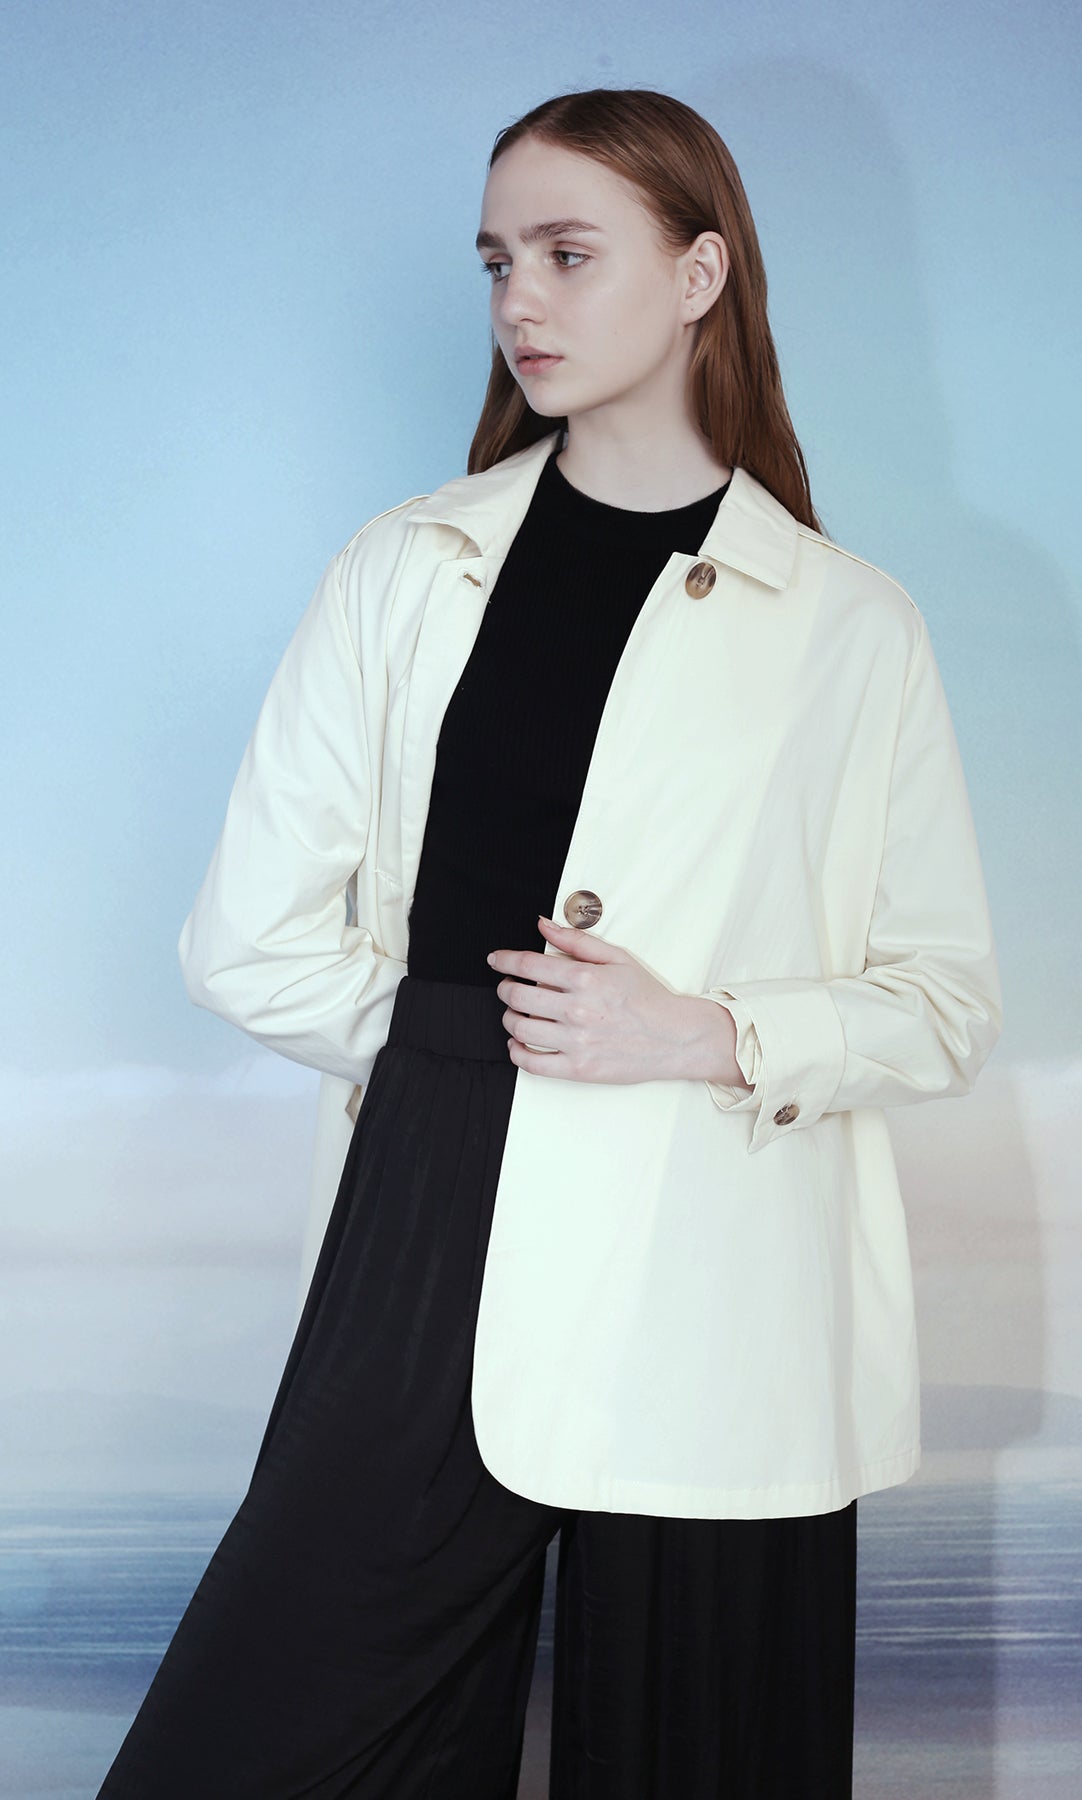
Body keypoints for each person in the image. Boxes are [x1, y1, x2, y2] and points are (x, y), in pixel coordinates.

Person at [96, 86, 1002, 1800]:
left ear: (700, 275)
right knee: (264, 1734)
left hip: (726, 1239)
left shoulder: (853, 628)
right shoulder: (404, 567)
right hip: (435, 1188)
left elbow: (942, 1002)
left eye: (570, 254)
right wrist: (455, 1057)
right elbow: (247, 942)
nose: (521, 298)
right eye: (498, 260)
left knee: (703, 1752)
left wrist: (709, 1033)